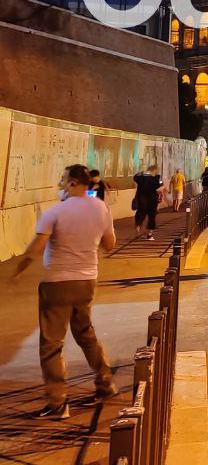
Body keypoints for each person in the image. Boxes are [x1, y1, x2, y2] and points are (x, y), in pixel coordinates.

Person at [10, 165, 117, 419]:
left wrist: (18, 270)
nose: (60, 184)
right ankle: (105, 384)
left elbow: (37, 247)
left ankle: (58, 403)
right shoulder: (101, 207)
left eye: (62, 180)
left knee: (51, 344)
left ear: (72, 183)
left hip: (57, 283)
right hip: (87, 281)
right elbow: (109, 244)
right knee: (85, 333)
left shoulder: (55, 211)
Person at [132, 164, 163, 241]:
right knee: (152, 216)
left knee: (140, 213)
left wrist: (142, 172)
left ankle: (138, 229)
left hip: (142, 199)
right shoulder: (157, 178)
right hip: (152, 200)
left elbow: (135, 177)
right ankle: (149, 234)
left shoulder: (140, 177)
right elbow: (161, 186)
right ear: (154, 170)